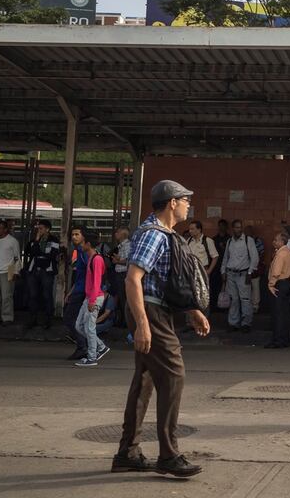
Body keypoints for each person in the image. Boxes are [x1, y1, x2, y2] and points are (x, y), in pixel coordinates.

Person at [114, 179, 210, 478]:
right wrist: (143, 323)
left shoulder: (165, 234)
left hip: (157, 309)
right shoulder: (153, 235)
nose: (187, 205)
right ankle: (169, 454)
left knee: (144, 379)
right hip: (150, 312)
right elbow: (133, 279)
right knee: (173, 376)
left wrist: (192, 310)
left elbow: (168, 281)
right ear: (172, 203)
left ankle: (128, 453)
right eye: (184, 200)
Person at [75, 231, 110, 367]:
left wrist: (92, 301)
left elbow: (96, 282)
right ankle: (100, 347)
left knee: (89, 328)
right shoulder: (91, 258)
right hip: (90, 296)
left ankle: (92, 357)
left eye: (83, 242)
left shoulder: (96, 259)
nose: (80, 244)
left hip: (94, 297)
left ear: (88, 244)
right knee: (80, 326)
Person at [222, 219, 259, 333]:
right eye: (236, 227)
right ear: (233, 229)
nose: (238, 229)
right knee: (233, 299)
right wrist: (223, 271)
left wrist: (250, 272)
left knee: (245, 299)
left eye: (240, 227)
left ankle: (246, 323)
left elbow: (255, 258)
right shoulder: (229, 241)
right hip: (231, 273)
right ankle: (233, 323)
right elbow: (226, 258)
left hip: (244, 274)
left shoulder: (248, 240)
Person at [23, 219, 60, 329]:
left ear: (47, 229)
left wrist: (40, 254)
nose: (38, 230)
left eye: (41, 228)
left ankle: (48, 319)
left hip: (47, 270)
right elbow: (31, 252)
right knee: (33, 294)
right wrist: (37, 240)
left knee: (47, 294)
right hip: (34, 269)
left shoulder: (54, 239)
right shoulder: (34, 240)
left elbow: (53, 254)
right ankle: (33, 318)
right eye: (38, 228)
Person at [266, 231, 290, 349]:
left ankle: (277, 340)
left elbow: (276, 272)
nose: (274, 242)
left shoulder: (280, 255)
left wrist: (271, 285)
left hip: (279, 284)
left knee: (277, 314)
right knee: (285, 313)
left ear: (282, 242)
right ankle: (285, 339)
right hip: (288, 283)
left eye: (276, 240)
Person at [64, 226, 90, 360]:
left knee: (70, 319)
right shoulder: (78, 251)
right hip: (78, 289)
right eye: (72, 234)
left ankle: (83, 346)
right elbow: (80, 276)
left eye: (77, 234)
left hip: (83, 291)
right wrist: (71, 291)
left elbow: (89, 273)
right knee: (76, 320)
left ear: (83, 237)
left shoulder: (84, 252)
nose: (74, 237)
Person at [0, 220, 21, 326]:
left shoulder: (13, 241)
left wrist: (16, 271)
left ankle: (7, 318)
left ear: (6, 229)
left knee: (7, 296)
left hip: (9, 269)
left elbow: (17, 257)